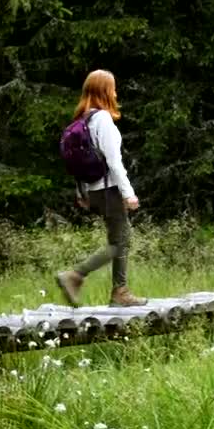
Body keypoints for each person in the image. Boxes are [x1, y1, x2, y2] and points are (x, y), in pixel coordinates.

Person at [55, 70, 148, 307]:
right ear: (105, 91)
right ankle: (77, 276)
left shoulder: (82, 120)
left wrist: (83, 193)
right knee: (120, 242)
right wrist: (129, 194)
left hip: (94, 191)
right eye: (113, 88)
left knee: (119, 240)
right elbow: (114, 162)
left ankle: (120, 291)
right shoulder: (103, 119)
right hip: (109, 190)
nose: (116, 93)